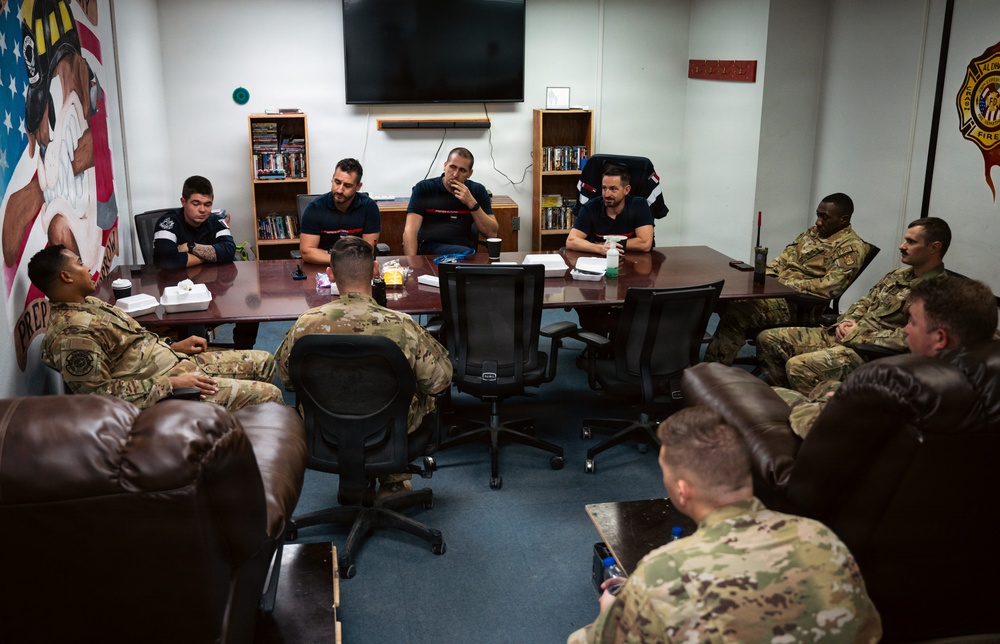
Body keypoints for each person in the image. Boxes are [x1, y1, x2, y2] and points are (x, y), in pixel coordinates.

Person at [568, 406, 881, 643]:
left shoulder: (662, 573)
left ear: (682, 491)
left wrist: (611, 611)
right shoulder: (822, 538)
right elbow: (869, 632)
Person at [275, 236, 453, 497]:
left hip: (325, 430)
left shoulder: (305, 324)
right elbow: (439, 382)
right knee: (423, 386)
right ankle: (393, 483)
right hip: (390, 430)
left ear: (330, 274)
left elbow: (287, 379)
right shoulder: (401, 325)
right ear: (375, 270)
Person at [28, 245, 283, 411]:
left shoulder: (88, 304)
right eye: (80, 263)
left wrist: (174, 346)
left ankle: (234, 426)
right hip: (164, 389)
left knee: (264, 362)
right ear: (66, 276)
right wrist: (171, 383)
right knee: (269, 395)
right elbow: (100, 396)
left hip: (174, 362)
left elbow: (130, 345)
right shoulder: (73, 336)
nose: (87, 268)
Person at [777, 275, 998, 437]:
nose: (906, 330)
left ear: (940, 338)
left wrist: (843, 402)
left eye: (913, 322)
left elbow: (814, 427)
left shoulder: (896, 389)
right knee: (827, 385)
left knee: (772, 395)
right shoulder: (985, 383)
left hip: (832, 461)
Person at [756, 216, 950, 393]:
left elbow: (908, 339)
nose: (902, 246)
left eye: (911, 242)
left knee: (799, 366)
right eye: (905, 240)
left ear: (934, 248)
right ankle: (785, 400)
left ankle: (817, 411)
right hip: (847, 334)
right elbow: (865, 302)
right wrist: (847, 322)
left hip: (871, 353)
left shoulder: (938, 291)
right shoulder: (898, 275)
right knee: (768, 339)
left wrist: (857, 334)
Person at [705, 193, 866, 365]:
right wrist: (763, 277)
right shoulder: (812, 233)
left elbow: (829, 287)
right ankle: (702, 361)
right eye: (818, 215)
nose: (818, 222)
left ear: (843, 219)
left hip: (800, 306)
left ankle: (713, 369)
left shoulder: (850, 247)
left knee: (738, 312)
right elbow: (782, 261)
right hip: (777, 294)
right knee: (719, 300)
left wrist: (782, 285)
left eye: (825, 217)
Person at [403, 147, 498, 256]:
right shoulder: (424, 188)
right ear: (445, 165)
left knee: (466, 254)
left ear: (470, 173)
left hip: (464, 253)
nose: (455, 174)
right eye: (452, 167)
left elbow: (492, 233)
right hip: (430, 250)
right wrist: (412, 262)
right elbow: (410, 230)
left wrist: (472, 203)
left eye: (462, 170)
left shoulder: (477, 190)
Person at [298, 158, 381, 264]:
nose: (340, 190)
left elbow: (368, 251)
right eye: (337, 182)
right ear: (332, 179)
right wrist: (341, 260)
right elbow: (307, 252)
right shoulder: (315, 207)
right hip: (324, 265)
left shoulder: (369, 207)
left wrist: (345, 261)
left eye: (347, 185)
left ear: (358, 186)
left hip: (356, 267)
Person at [565, 165, 654, 255]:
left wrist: (610, 245)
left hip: (633, 260)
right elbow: (571, 241)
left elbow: (645, 243)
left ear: (626, 190)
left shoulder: (639, 205)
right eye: (604, 188)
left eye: (613, 189)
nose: (607, 194)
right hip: (599, 260)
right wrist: (599, 248)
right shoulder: (590, 207)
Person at [153, 175, 236, 270]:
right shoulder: (168, 222)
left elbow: (230, 251)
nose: (202, 210)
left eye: (207, 204)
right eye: (196, 204)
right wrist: (211, 256)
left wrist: (190, 247)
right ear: (183, 202)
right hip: (179, 278)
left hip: (212, 276)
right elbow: (164, 260)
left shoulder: (217, 221)